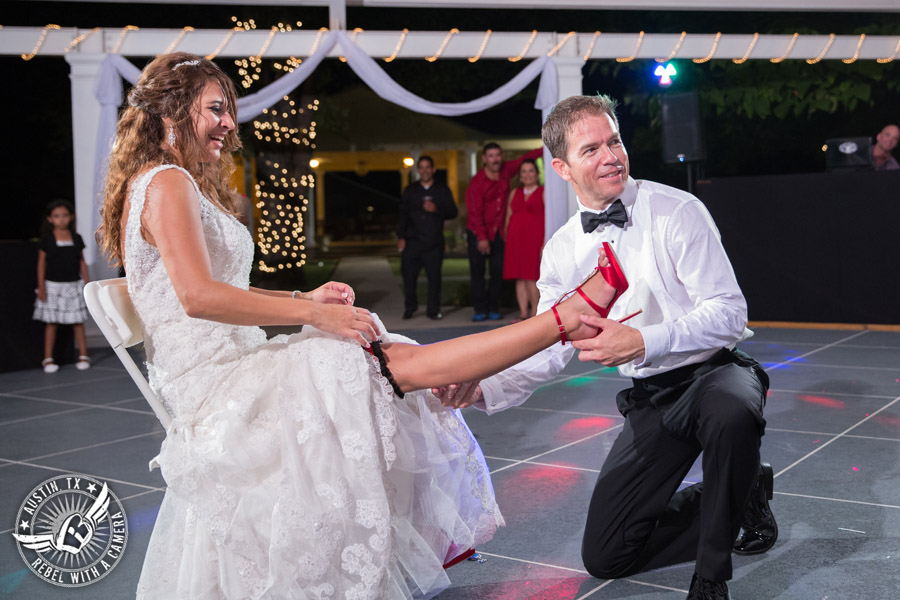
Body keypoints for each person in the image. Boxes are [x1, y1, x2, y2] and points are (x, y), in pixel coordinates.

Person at [97, 53, 628, 600]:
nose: (230, 123)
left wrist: (306, 296)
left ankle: (554, 324)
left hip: (239, 370)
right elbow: (198, 296)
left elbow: (220, 287)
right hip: (218, 393)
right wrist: (311, 313)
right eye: (215, 109)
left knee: (371, 344)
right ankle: (561, 320)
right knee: (369, 361)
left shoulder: (170, 181)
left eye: (229, 110)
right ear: (169, 112)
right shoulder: (165, 183)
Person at [442, 95, 776, 600]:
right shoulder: (561, 251)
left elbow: (730, 314)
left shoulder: (678, 211)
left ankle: (711, 576)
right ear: (562, 167)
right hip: (651, 396)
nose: (611, 156)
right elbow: (547, 345)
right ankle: (741, 489)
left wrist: (643, 340)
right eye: (592, 149)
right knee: (607, 556)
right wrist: (484, 384)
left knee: (731, 413)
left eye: (614, 141)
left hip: (715, 372)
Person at [465, 142, 542, 321]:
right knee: (477, 272)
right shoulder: (477, 183)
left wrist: (548, 146)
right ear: (484, 159)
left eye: (497, 155)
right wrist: (482, 238)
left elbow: (526, 158)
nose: (495, 159)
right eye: (491, 156)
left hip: (498, 232)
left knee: (497, 271)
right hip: (478, 231)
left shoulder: (506, 170)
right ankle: (480, 309)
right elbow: (475, 213)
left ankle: (493, 307)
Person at [33, 199, 91, 373]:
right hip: (52, 286)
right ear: (50, 219)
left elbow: (81, 262)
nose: (61, 219)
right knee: (52, 322)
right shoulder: (47, 240)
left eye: (65, 215)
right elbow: (41, 263)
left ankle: (83, 354)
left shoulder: (76, 238)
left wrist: (88, 283)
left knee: (77, 321)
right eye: (57, 216)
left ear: (71, 217)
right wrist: (41, 286)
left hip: (73, 284)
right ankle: (48, 358)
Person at [397, 155, 458, 320]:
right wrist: (401, 237)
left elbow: (453, 211)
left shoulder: (442, 190)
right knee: (409, 277)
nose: (424, 171)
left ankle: (433, 310)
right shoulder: (410, 190)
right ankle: (410, 307)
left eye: (427, 167)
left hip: (434, 242)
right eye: (421, 167)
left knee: (434, 279)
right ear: (418, 171)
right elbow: (403, 215)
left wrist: (436, 209)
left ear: (433, 170)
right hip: (413, 242)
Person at [502, 158, 544, 323]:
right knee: (519, 277)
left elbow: (548, 219)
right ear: (519, 176)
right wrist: (507, 238)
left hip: (534, 240)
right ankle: (522, 313)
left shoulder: (543, 192)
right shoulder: (514, 193)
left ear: (537, 173)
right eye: (524, 172)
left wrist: (545, 242)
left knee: (531, 276)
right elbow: (508, 217)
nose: (527, 175)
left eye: (531, 171)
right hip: (515, 241)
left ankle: (535, 313)